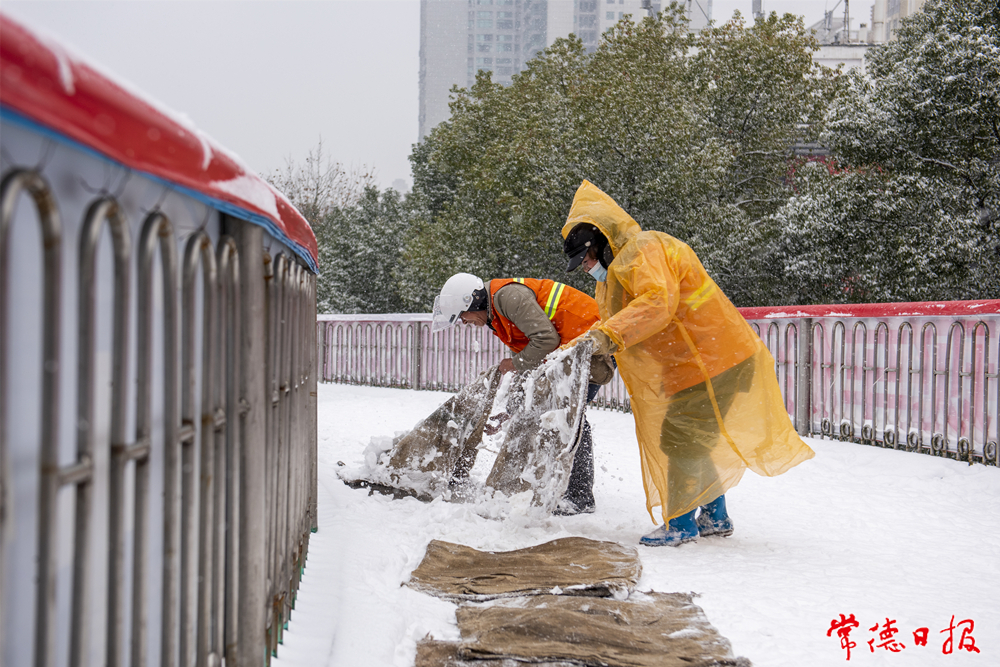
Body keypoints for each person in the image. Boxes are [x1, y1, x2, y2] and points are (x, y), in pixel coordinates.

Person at [561, 180, 815, 546]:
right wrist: (597, 341)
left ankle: (680, 524)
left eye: (586, 261)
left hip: (712, 359)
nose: (586, 269)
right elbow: (627, 319)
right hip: (704, 361)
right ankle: (715, 516)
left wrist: (608, 335)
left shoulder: (643, 251)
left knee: (679, 439)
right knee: (696, 439)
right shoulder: (620, 271)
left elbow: (656, 303)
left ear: (598, 244)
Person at [432, 273, 616, 514]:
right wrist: (511, 411)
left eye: (461, 316)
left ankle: (579, 496)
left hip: (592, 347)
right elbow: (530, 366)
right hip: (571, 351)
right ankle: (559, 487)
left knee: (568, 419)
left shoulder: (507, 298)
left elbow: (546, 340)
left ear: (471, 302)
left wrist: (513, 364)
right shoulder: (496, 315)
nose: (464, 323)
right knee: (556, 417)